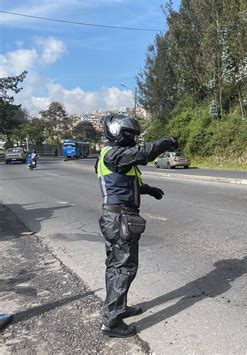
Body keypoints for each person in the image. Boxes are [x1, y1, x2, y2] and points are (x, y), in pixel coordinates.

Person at [96, 114, 178, 338]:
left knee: (116, 266)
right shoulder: (113, 154)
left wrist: (149, 189)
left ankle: (117, 307)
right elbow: (142, 154)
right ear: (116, 133)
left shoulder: (116, 156)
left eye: (134, 135)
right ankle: (111, 322)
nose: (133, 139)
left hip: (116, 217)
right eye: (129, 134)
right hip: (119, 218)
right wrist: (165, 143)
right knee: (123, 268)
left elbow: (126, 183)